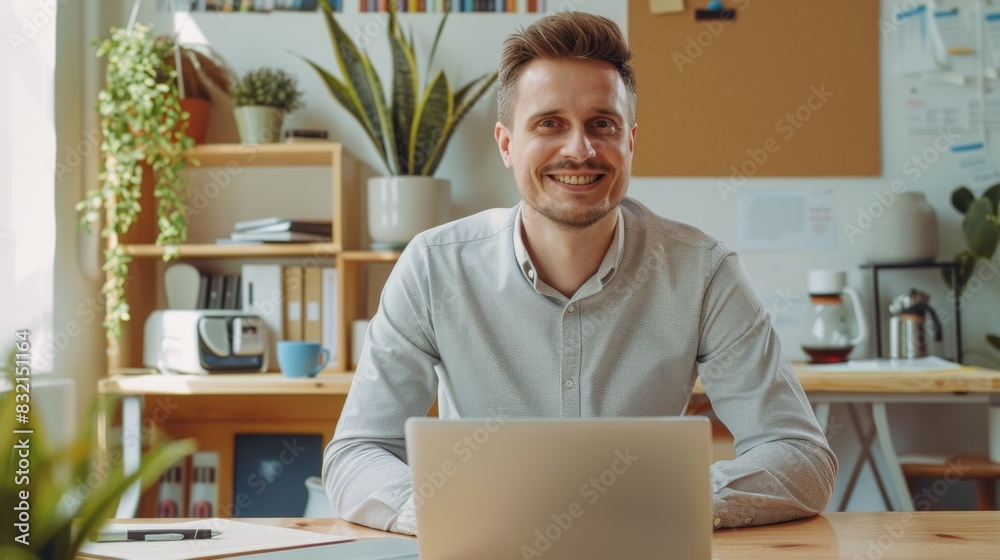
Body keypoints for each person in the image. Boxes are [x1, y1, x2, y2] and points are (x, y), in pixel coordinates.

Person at [323, 11, 837, 535]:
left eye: (602, 124)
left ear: (630, 141)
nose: (580, 149)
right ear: (506, 144)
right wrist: (454, 512)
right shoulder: (434, 265)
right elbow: (355, 454)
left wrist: (668, 503)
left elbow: (800, 457)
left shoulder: (703, 270)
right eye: (549, 123)